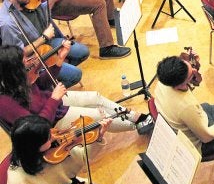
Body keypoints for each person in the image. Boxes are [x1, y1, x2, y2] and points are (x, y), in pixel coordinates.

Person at [0, 44, 152, 135]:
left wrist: (58, 62)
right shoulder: (5, 102)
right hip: (52, 120)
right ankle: (137, 126)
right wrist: (54, 99)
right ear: (12, 69)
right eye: (23, 61)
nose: (28, 62)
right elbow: (38, 127)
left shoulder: (19, 78)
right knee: (98, 116)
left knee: (95, 97)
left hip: (55, 103)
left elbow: (43, 84)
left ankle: (135, 116)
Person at [0, 0, 89, 88]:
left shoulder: (25, 0)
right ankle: (46, 88)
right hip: (34, 59)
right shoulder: (7, 23)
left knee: (83, 52)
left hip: (47, 43)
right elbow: (18, 54)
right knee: (75, 75)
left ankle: (54, 74)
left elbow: (44, 10)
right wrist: (43, 38)